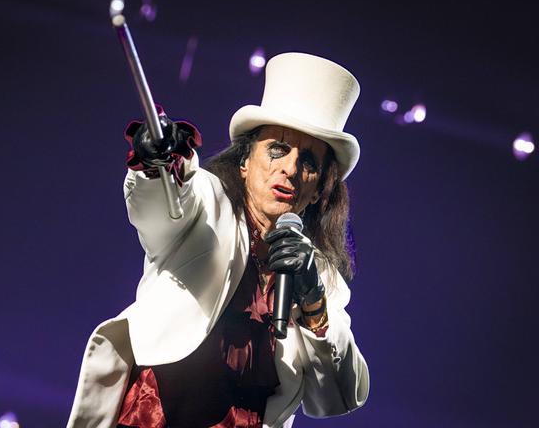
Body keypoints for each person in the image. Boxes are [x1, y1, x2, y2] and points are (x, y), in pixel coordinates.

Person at [67, 52, 369, 428]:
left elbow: (341, 393)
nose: (289, 169)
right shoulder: (210, 205)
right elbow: (168, 204)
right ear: (245, 163)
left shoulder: (319, 275)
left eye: (308, 161)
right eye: (277, 149)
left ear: (317, 191)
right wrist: (158, 162)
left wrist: (311, 299)